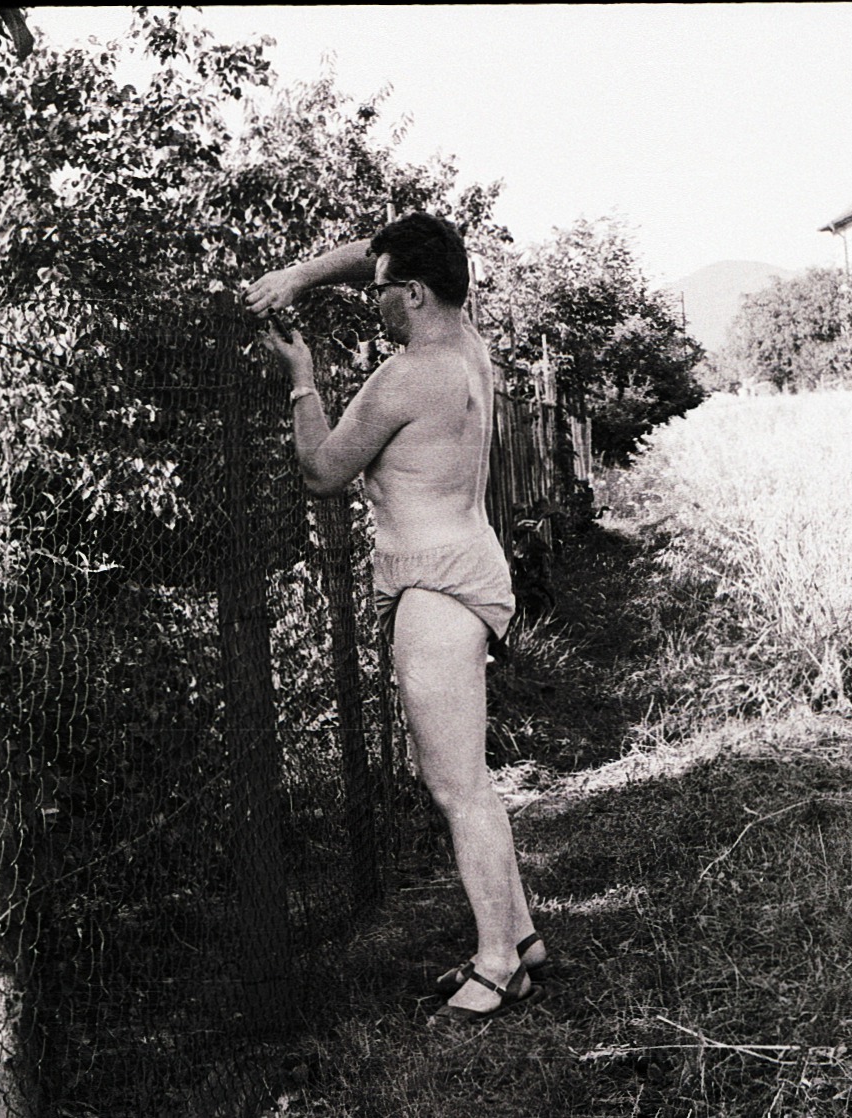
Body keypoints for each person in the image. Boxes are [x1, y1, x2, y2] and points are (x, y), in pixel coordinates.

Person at [245, 213, 547, 1023]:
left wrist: (301, 377)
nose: (368, 301)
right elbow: (392, 248)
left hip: (434, 590)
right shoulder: (468, 348)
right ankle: (518, 937)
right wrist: (304, 276)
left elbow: (321, 472)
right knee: (462, 780)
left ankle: (497, 964)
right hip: (472, 567)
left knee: (460, 789)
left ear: (412, 295)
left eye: (378, 292)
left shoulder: (404, 378)